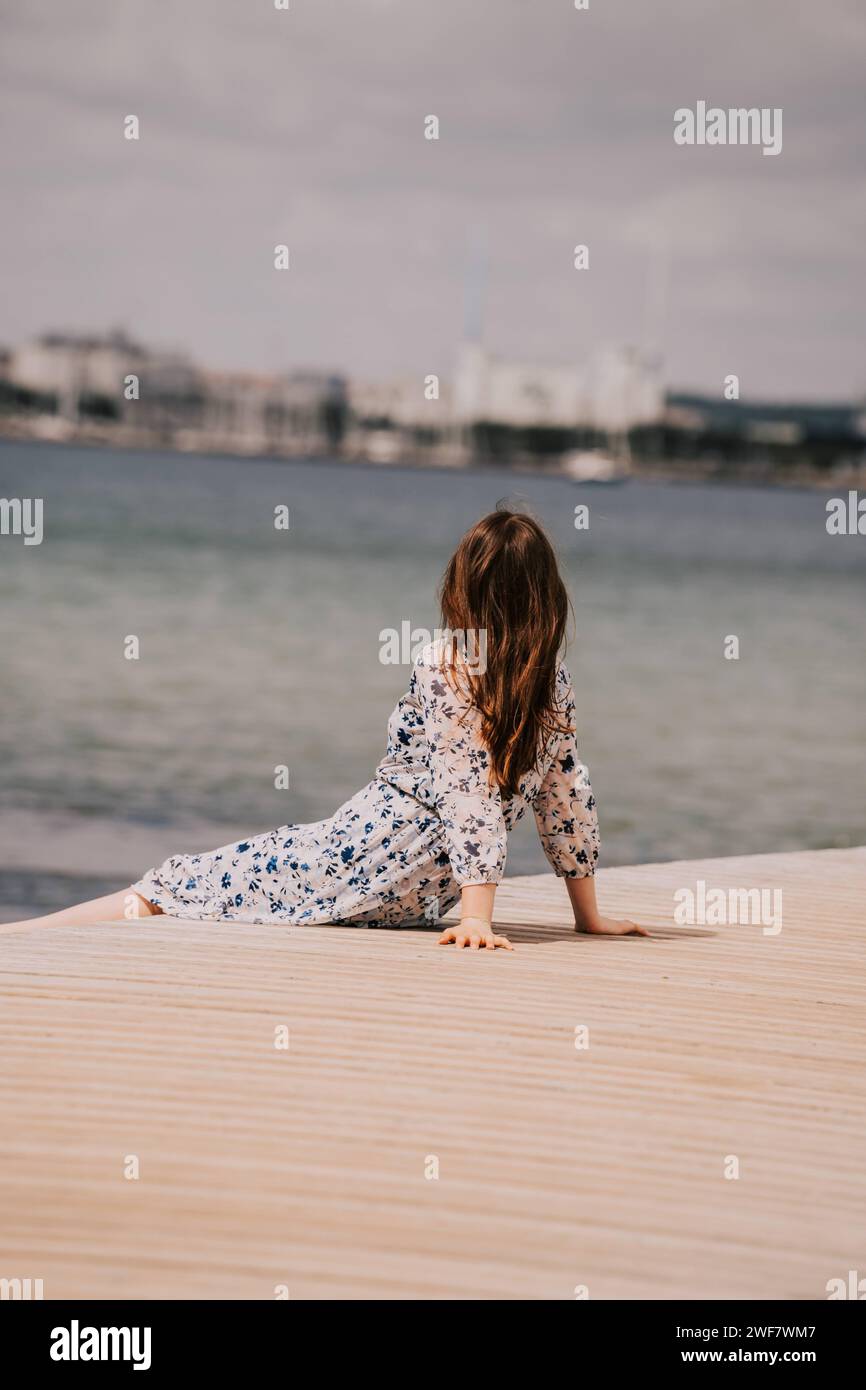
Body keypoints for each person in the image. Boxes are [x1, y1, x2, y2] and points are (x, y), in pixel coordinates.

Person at [6, 508, 646, 949]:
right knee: (198, 883)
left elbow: (466, 790)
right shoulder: (549, 682)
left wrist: (479, 917)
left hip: (361, 860)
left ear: (465, 589)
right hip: (422, 895)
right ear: (547, 598)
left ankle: (20, 936)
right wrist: (585, 917)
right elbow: (566, 797)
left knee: (181, 881)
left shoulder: (448, 663)